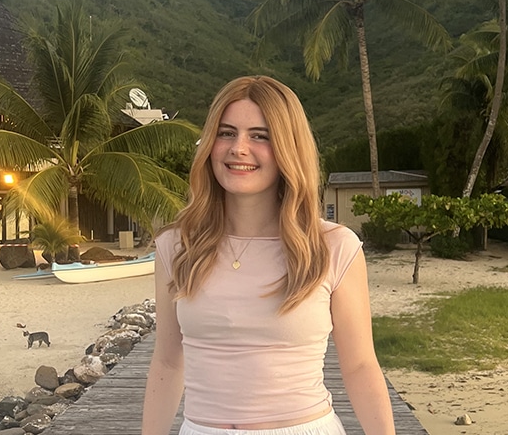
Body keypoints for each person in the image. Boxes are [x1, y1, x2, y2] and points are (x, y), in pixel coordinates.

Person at [141, 76, 395, 435]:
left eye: (260, 136)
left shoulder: (334, 247)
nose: (238, 148)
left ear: (288, 148)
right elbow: (167, 361)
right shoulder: (176, 246)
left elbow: (360, 366)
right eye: (226, 133)